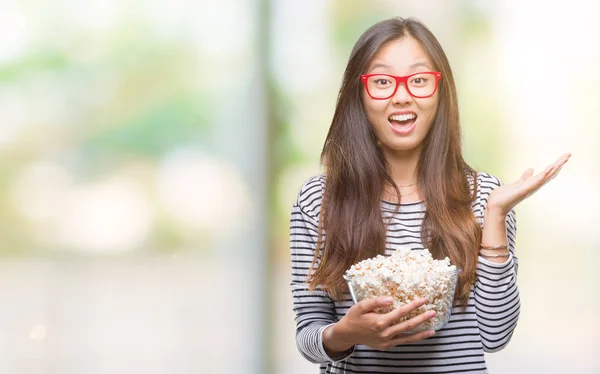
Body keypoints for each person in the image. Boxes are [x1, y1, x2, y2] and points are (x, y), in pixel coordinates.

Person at [289, 17, 570, 373]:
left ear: (441, 92)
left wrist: (496, 213)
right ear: (359, 95)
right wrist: (346, 333)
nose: (402, 95)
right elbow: (309, 336)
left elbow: (495, 335)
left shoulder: (484, 196)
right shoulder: (320, 200)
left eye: (419, 80)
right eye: (382, 81)